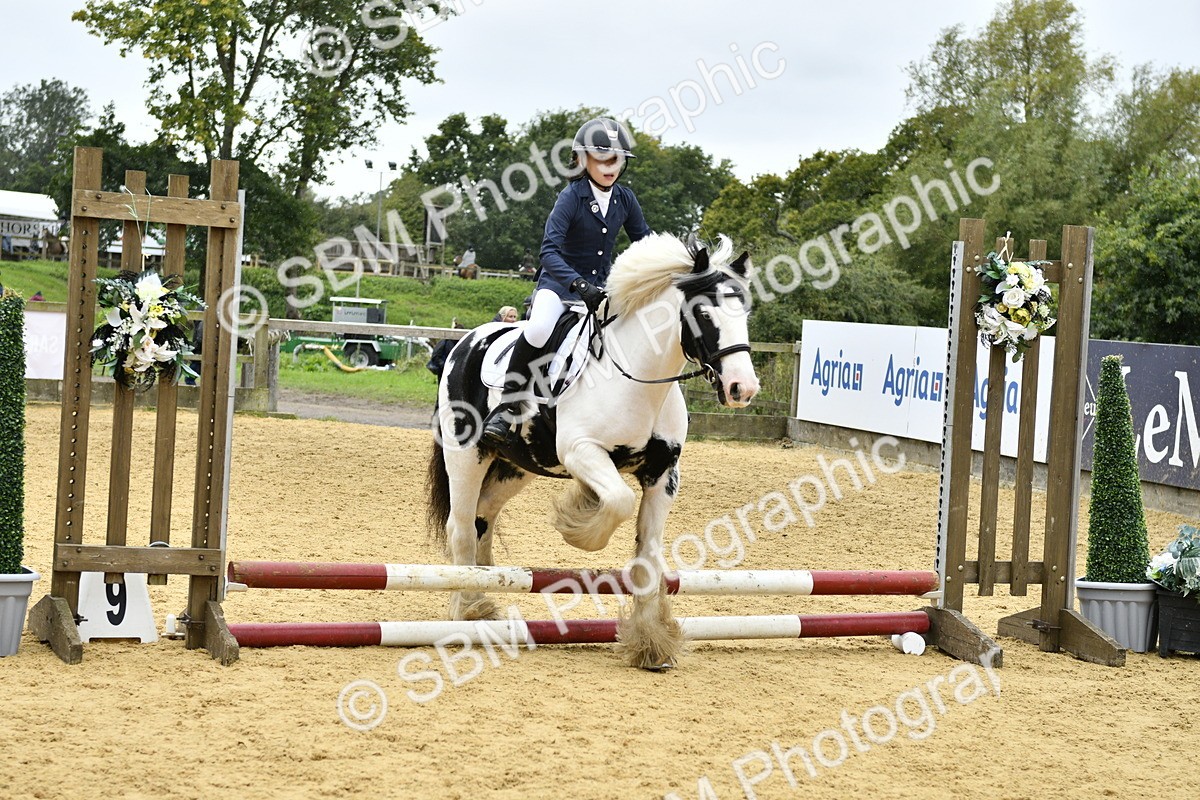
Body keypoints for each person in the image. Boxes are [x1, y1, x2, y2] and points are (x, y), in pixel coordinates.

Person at [481, 117, 650, 446]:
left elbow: (644, 241)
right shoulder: (571, 197)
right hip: (559, 287)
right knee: (539, 328)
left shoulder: (625, 199)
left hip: (602, 289)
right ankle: (507, 404)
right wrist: (576, 284)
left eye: (615, 160)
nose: (609, 166)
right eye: (602, 158)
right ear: (584, 160)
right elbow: (549, 251)